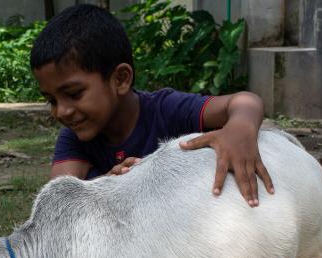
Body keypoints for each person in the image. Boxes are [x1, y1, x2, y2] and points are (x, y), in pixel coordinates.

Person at [30, 4, 273, 207]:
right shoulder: (74, 139)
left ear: (121, 79)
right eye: (51, 100)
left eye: (73, 94)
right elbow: (58, 202)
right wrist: (107, 183)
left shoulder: (166, 109)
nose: (61, 111)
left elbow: (244, 101)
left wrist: (239, 130)